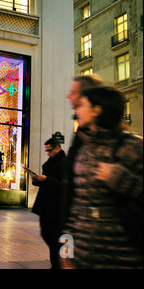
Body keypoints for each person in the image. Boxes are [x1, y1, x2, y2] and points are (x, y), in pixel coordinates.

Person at [61, 86, 143, 269]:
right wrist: (66, 252)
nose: (76, 110)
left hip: (123, 258)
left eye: (82, 105)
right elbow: (75, 209)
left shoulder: (134, 146)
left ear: (97, 109)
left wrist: (121, 179)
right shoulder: (85, 151)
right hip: (83, 258)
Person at [61, 74, 104, 230]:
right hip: (80, 233)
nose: (68, 96)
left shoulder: (98, 139)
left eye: (73, 92)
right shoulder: (83, 132)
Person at [31, 138, 66, 269]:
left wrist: (46, 179)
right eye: (46, 151)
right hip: (46, 206)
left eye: (49, 150)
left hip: (57, 208)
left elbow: (64, 186)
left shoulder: (65, 163)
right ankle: (56, 264)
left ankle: (59, 265)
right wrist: (37, 180)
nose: (48, 153)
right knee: (47, 234)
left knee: (58, 238)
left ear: (58, 148)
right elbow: (47, 182)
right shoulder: (49, 163)